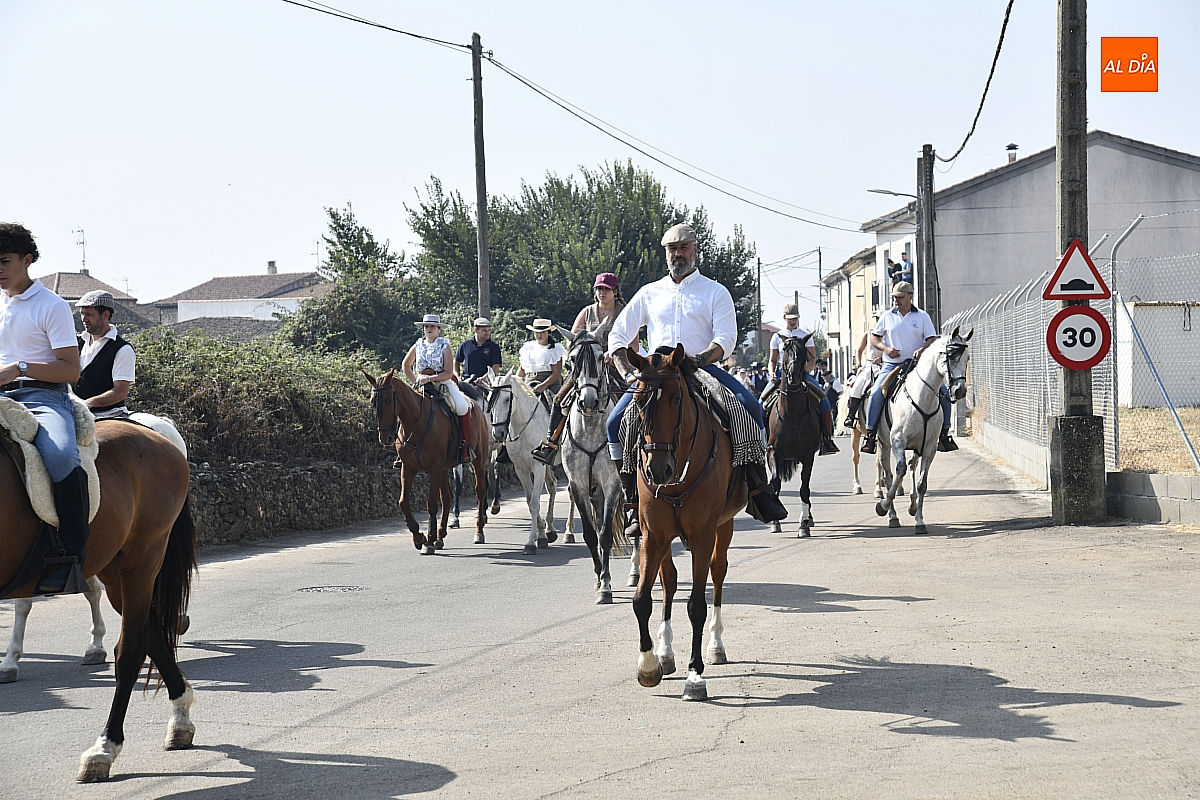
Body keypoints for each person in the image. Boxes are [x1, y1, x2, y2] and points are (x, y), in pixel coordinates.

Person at [606, 222, 787, 527]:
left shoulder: (715, 291)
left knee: (749, 408)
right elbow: (618, 336)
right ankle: (631, 500)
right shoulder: (649, 293)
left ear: (695, 250)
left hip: (703, 369)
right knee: (614, 423)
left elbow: (726, 339)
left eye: (683, 248)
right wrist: (627, 373)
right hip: (657, 376)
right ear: (666, 253)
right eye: (672, 249)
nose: (678, 254)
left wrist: (698, 359)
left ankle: (757, 488)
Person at [0, 223, 88, 594]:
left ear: (27, 260)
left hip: (42, 397)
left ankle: (72, 556)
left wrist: (19, 368)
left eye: (4, 261)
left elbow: (70, 370)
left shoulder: (51, 306)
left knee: (62, 455)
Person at [531, 273, 625, 465]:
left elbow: (633, 343)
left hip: (614, 364)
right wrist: (583, 352)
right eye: (599, 289)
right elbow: (572, 339)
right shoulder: (587, 311)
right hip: (586, 367)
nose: (602, 292)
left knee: (633, 399)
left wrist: (611, 352)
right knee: (559, 399)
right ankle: (551, 443)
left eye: (606, 289)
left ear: (615, 291)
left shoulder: (624, 312)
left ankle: (636, 443)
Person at [859, 282, 957, 454]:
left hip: (917, 366)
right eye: (895, 297)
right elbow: (874, 338)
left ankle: (944, 434)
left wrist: (923, 349)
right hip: (892, 365)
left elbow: (931, 339)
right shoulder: (887, 316)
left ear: (910, 296)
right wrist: (886, 349)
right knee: (876, 392)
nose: (897, 300)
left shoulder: (922, 316)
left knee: (944, 393)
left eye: (900, 297)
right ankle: (871, 435)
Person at [758, 303, 839, 455]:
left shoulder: (805, 335)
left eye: (795, 318)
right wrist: (771, 373)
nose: (793, 321)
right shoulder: (777, 337)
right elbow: (772, 360)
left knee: (824, 401)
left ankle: (827, 440)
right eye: (790, 318)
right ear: (784, 318)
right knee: (760, 404)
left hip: (801, 373)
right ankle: (760, 440)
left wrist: (802, 370)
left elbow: (812, 360)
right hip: (781, 374)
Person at [402, 313, 474, 464]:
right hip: (421, 383)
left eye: (432, 326)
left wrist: (430, 379)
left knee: (462, 407)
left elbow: (448, 372)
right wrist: (415, 381)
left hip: (442, 383)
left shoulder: (444, 345)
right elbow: (406, 365)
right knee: (403, 405)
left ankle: (464, 446)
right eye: (426, 326)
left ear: (438, 329)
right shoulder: (418, 345)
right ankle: (403, 447)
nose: (429, 329)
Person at [74, 290, 135, 420]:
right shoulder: (76, 343)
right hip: (74, 414)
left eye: (89, 314)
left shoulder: (122, 349)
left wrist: (89, 403)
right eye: (82, 314)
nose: (84, 319)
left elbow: (120, 392)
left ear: (105, 315)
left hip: (109, 415)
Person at [842, 311, 884, 428]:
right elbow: (859, 351)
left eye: (880, 319)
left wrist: (882, 359)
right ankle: (851, 416)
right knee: (857, 387)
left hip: (885, 365)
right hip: (870, 365)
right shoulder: (868, 334)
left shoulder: (890, 334)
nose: (878, 321)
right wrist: (859, 365)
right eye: (877, 319)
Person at [517, 318, 565, 408]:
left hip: (549, 384)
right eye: (537, 333)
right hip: (529, 383)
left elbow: (556, 373)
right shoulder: (528, 347)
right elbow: (521, 370)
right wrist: (515, 382)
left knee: (558, 405)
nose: (539, 335)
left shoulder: (555, 349)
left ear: (548, 333)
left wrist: (543, 386)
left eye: (542, 332)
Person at [454, 317, 503, 385]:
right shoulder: (465, 345)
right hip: (466, 382)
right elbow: (456, 362)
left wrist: (485, 378)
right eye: (484, 330)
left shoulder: (494, 347)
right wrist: (457, 377)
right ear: (476, 330)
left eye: (489, 330)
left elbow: (496, 366)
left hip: (486, 383)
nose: (487, 333)